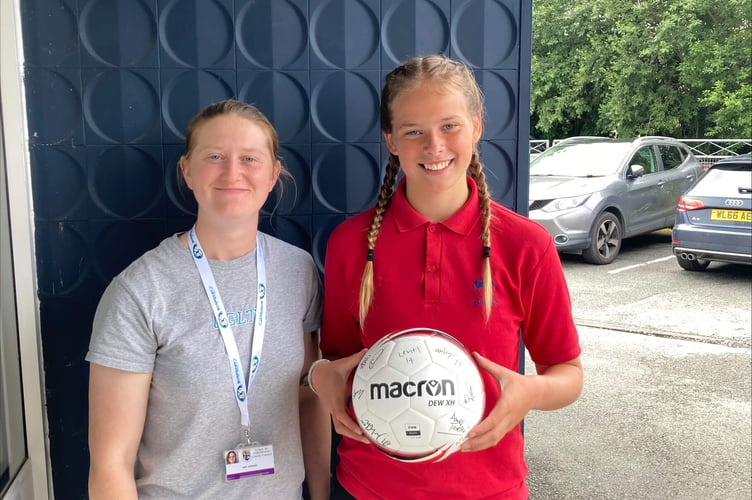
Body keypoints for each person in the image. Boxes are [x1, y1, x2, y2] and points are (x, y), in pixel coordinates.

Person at [309, 55, 584, 499]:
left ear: (476, 127)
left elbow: (567, 373)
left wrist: (530, 392)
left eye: (449, 126)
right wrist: (322, 377)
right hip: (368, 488)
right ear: (391, 140)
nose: (434, 145)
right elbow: (338, 360)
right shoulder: (351, 243)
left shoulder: (525, 245)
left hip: (490, 489)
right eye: (413, 131)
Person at [87, 99, 330, 499]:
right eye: (215, 156)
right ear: (187, 171)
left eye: (250, 158)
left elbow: (307, 397)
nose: (233, 172)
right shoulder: (141, 290)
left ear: (273, 175)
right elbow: (111, 464)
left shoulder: (298, 272)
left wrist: (321, 494)